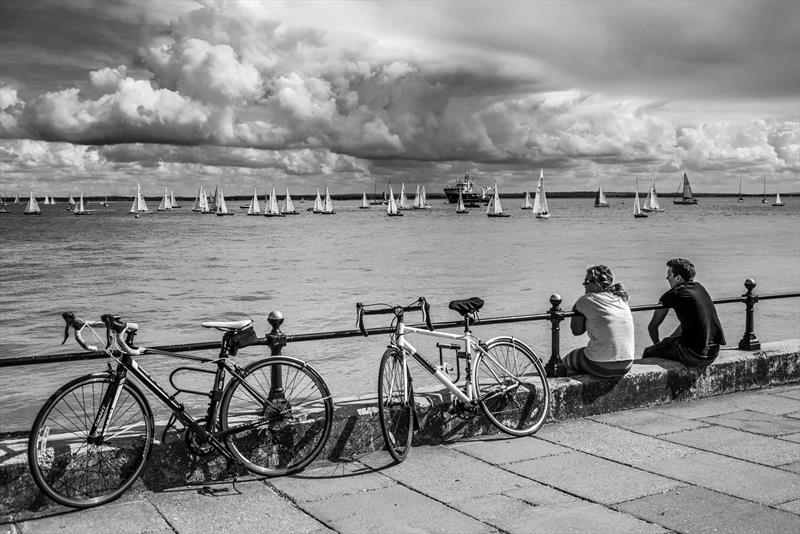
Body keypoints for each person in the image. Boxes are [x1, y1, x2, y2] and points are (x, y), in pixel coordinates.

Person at [643, 258, 725, 366]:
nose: (667, 278)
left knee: (648, 352)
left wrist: (658, 347)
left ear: (678, 278)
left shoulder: (673, 294)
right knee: (669, 341)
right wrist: (668, 341)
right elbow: (691, 322)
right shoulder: (701, 288)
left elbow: (652, 327)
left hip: (694, 355)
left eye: (669, 274)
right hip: (713, 353)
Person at [564, 265, 635, 378]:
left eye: (587, 281)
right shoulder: (621, 298)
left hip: (601, 366)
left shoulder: (587, 299)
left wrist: (579, 310)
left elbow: (576, 331)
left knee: (566, 360)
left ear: (597, 284)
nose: (584, 285)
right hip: (627, 364)